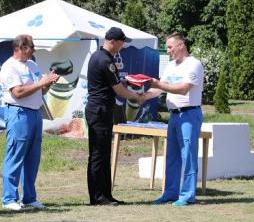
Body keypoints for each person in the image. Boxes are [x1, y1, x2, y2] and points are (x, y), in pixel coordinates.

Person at [0, 34, 59, 211]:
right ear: (20, 48)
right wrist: (41, 83)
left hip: (34, 113)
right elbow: (17, 93)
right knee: (15, 154)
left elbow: (40, 90)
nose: (33, 50)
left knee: (33, 157)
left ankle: (29, 197)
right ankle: (9, 198)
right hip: (18, 113)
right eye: (31, 47)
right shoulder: (9, 67)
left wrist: (48, 83)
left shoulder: (32, 65)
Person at [143, 33, 204, 206]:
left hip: (189, 114)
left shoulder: (194, 64)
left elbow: (183, 89)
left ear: (181, 45)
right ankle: (170, 193)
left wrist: (158, 84)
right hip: (174, 115)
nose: (168, 51)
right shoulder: (170, 66)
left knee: (188, 156)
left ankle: (187, 196)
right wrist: (142, 97)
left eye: (170, 47)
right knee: (172, 156)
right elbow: (159, 89)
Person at [85, 27, 144, 205]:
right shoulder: (105, 60)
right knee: (98, 154)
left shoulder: (99, 56)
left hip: (100, 110)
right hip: (99, 110)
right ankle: (98, 197)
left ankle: (106, 195)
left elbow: (111, 82)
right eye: (121, 42)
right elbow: (118, 90)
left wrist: (126, 81)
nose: (123, 46)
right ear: (112, 41)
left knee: (103, 153)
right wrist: (136, 96)